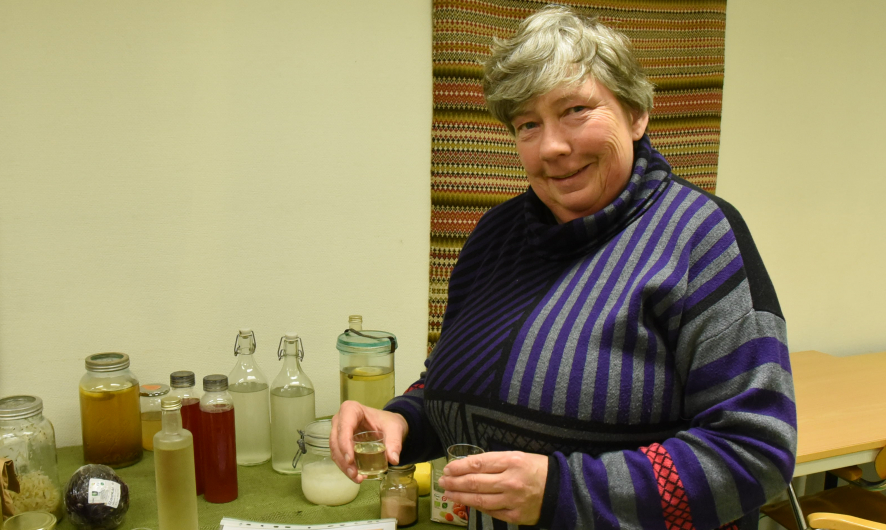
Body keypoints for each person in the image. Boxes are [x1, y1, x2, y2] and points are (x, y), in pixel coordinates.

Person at [330, 5, 796, 530]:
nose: (553, 146)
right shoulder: (494, 238)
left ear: (637, 114)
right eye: (529, 124)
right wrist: (402, 419)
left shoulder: (698, 237)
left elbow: (755, 451)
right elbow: (455, 385)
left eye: (576, 110)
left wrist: (563, 490)